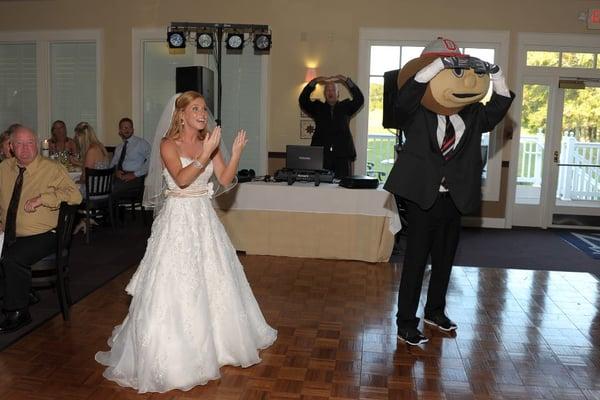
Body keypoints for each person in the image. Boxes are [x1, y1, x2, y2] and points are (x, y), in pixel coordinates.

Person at [95, 91, 277, 393]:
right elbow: (180, 179)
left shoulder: (210, 142)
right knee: (176, 282)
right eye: (196, 109)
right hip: (178, 220)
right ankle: (175, 351)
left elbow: (224, 178)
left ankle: (219, 343)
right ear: (181, 115)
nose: (203, 113)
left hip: (204, 218)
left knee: (214, 278)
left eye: (204, 109)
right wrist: (205, 153)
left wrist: (234, 154)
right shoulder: (168, 145)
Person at [384, 37, 514, 345]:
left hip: (454, 199)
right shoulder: (416, 113)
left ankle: (435, 312)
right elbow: (403, 101)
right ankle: (405, 322)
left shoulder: (473, 115)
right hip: (422, 198)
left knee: (444, 259)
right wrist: (436, 66)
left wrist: (495, 75)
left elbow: (499, 104)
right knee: (416, 262)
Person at [0, 126, 82, 334]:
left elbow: (74, 196)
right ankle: (21, 291)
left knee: (12, 257)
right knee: (8, 251)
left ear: (36, 144)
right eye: (19, 143)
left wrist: (43, 199)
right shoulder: (4, 169)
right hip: (8, 232)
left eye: (30, 143)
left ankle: (18, 311)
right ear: (11, 147)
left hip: (44, 234)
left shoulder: (51, 168)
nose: (25, 148)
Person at [299, 74, 364, 178]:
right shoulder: (318, 107)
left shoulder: (346, 106)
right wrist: (314, 81)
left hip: (343, 155)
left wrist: (347, 80)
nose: (330, 92)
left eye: (333, 90)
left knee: (342, 189)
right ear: (325, 94)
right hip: (322, 156)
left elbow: (360, 99)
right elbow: (303, 100)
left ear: (338, 94)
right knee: (322, 188)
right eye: (328, 90)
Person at [69, 122, 110, 235]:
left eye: (77, 137)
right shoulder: (99, 146)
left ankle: (73, 222)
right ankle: (86, 219)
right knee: (73, 184)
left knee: (68, 188)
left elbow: (85, 177)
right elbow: (92, 166)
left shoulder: (91, 150)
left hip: (93, 192)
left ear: (82, 137)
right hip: (104, 190)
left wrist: (75, 182)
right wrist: (78, 163)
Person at [109, 117, 151, 203]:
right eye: (124, 128)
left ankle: (111, 214)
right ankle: (111, 213)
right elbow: (112, 165)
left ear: (133, 130)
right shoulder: (119, 147)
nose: (127, 130)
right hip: (119, 177)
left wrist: (135, 174)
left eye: (129, 127)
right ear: (120, 131)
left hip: (135, 179)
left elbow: (151, 161)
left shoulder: (141, 143)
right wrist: (116, 172)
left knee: (111, 188)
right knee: (102, 186)